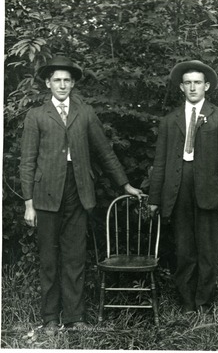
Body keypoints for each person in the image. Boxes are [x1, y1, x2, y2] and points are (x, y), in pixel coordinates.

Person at [20, 55, 142, 333]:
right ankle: (50, 318)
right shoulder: (36, 115)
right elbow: (27, 161)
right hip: (46, 194)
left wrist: (125, 184)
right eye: (57, 80)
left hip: (79, 191)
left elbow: (104, 152)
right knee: (49, 260)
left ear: (73, 83)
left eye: (67, 80)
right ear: (48, 84)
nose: (62, 85)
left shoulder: (85, 113)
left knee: (75, 256)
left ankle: (74, 317)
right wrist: (29, 202)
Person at [148, 60, 218, 314]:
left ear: (206, 86)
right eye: (187, 83)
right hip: (178, 189)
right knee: (184, 247)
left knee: (208, 248)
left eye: (197, 82)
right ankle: (187, 301)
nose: (192, 87)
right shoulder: (170, 120)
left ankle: (204, 301)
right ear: (181, 87)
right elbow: (160, 162)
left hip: (209, 190)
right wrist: (155, 197)